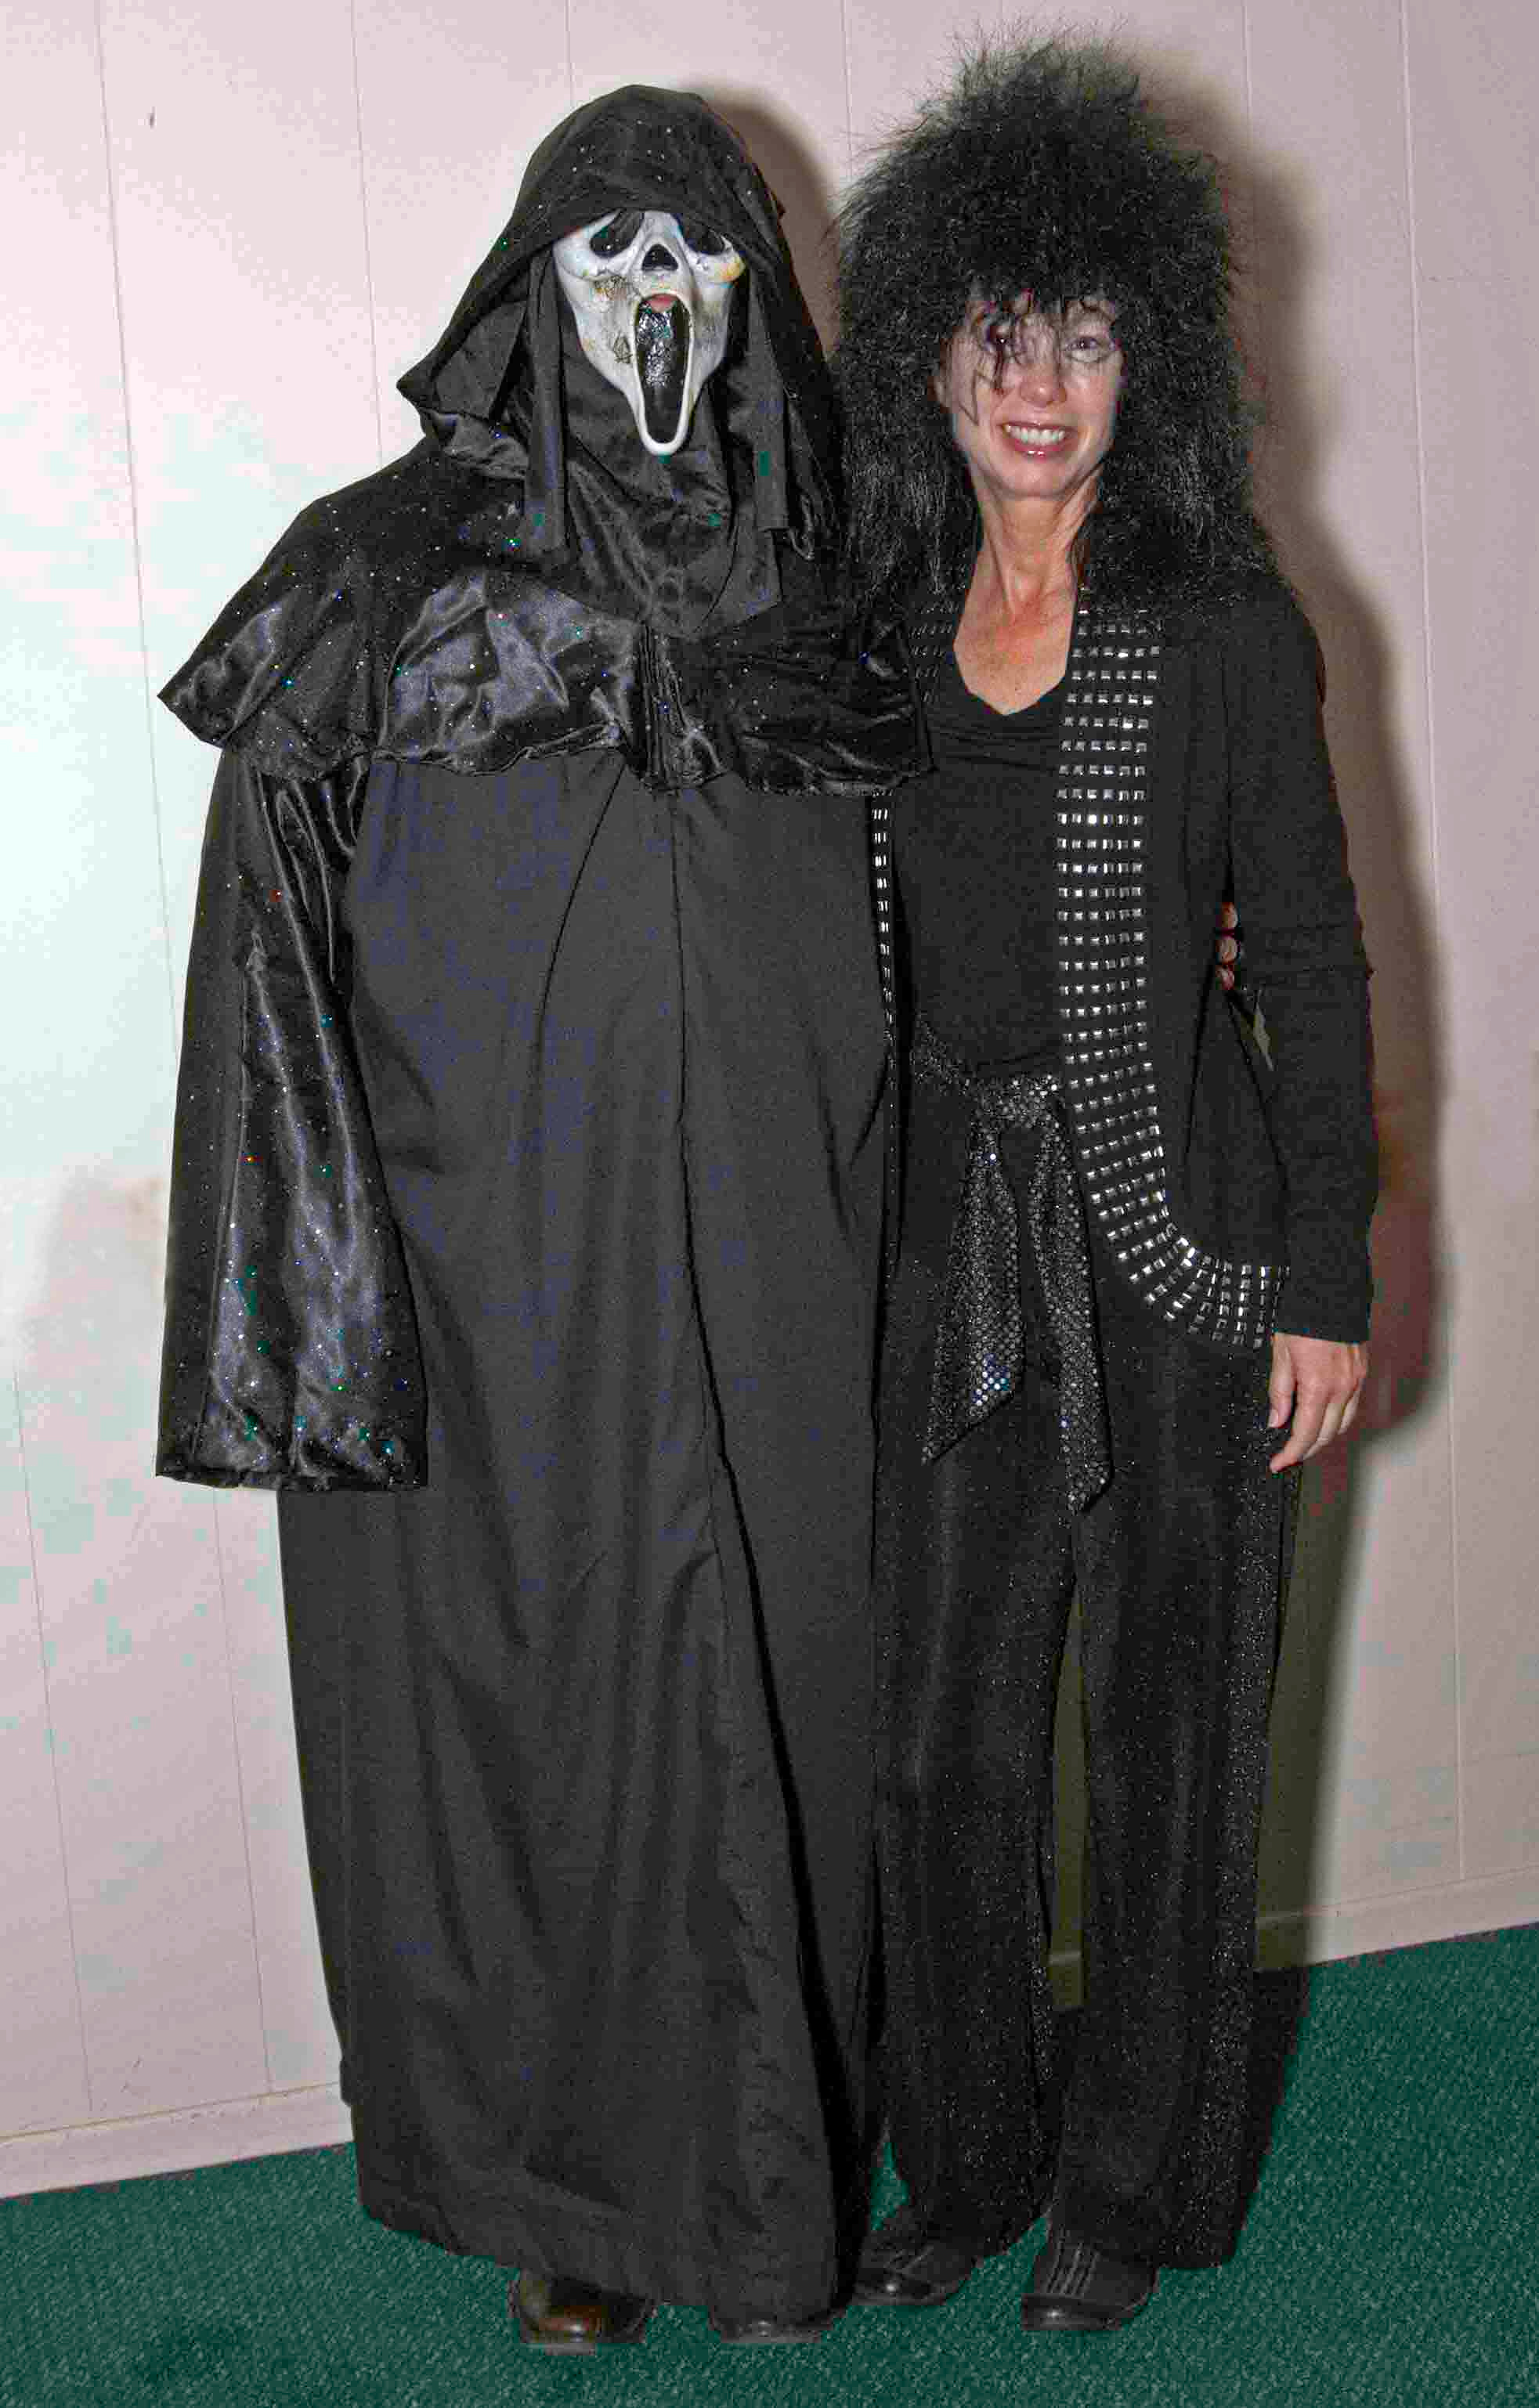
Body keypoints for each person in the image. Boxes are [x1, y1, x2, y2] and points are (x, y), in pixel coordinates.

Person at [155, 86, 919, 2350]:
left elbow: (966, 922)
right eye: (611, 263)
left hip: (797, 1281)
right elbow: (264, 970)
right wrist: (310, 1323)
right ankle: (571, 2204)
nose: (655, 306)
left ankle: (779, 2195)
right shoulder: (377, 583)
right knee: (542, 1741)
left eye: (694, 262)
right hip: (498, 1306)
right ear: (530, 294)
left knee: (798, 1703)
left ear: (750, 297)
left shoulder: (848, 586)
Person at [834, 40, 1377, 2332]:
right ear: (930, 354)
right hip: (945, 1258)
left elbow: (1316, 953)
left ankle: (1129, 2191)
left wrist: (1331, 1273)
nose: (1036, 385)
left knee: (1170, 1730)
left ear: (1145, 364)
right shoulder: (877, 630)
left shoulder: (1229, 626)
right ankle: (967, 2157)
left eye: (1082, 334)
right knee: (941, 1739)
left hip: (1185, 1255)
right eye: (997, 331)